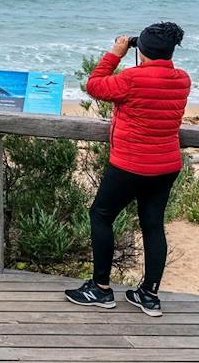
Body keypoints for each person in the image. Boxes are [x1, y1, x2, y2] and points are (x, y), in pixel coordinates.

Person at [64, 21, 191, 318]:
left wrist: (116, 53)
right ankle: (148, 294)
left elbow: (94, 85)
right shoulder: (182, 79)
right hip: (166, 165)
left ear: (141, 50)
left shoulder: (131, 79)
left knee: (101, 215)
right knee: (152, 224)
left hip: (130, 164)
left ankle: (101, 289)